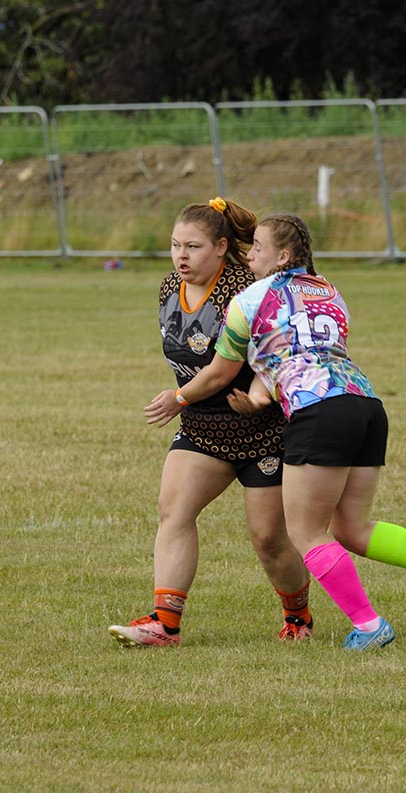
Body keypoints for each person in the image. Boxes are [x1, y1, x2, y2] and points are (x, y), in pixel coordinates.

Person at [144, 212, 406, 651]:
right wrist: (260, 398)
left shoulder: (248, 299)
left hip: (317, 411)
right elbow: (300, 355)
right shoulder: (328, 290)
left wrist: (180, 397)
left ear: (283, 256)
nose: (251, 255)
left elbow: (222, 370)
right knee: (352, 528)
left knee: (305, 533)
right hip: (365, 405)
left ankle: (368, 625)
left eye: (259, 248)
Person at [108, 198, 312, 649]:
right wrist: (187, 401)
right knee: (174, 511)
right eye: (175, 245)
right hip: (203, 427)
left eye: (193, 247)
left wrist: (180, 397)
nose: (181, 256)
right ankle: (165, 624)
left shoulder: (245, 290)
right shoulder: (169, 287)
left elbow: (228, 369)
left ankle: (298, 616)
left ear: (221, 247)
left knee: (269, 539)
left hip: (263, 430)